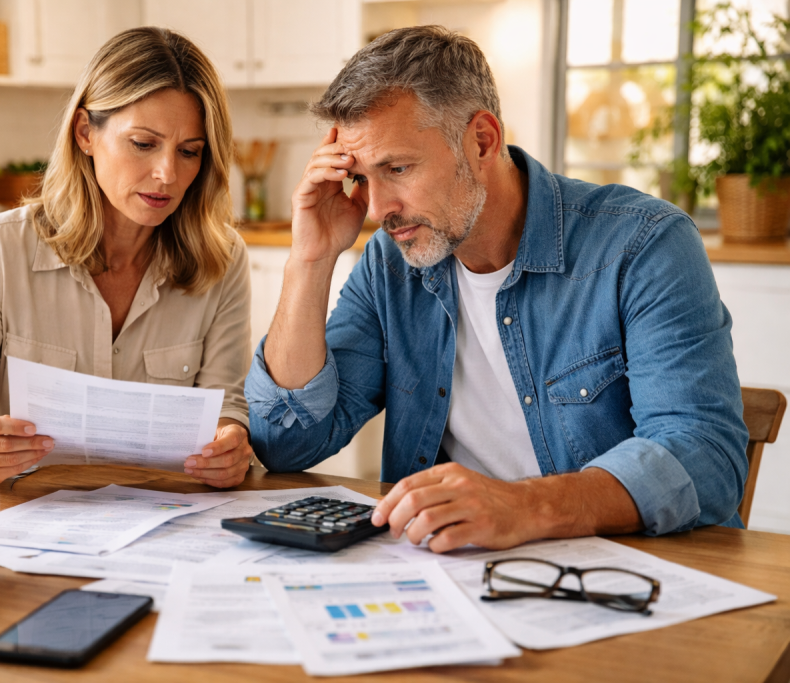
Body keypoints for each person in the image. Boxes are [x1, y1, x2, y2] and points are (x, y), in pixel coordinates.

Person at [245, 26, 749, 552]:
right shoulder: (389, 263)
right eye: (365, 177)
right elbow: (285, 442)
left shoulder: (642, 244)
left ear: (482, 140)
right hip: (450, 573)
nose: (377, 210)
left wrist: (522, 506)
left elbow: (705, 457)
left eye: (398, 168)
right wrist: (311, 259)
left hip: (625, 575)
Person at [0, 27, 253, 488]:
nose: (167, 173)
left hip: (165, 519)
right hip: (28, 522)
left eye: (189, 152)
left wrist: (231, 447)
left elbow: (226, 408)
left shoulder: (223, 260)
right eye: (144, 144)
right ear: (86, 132)